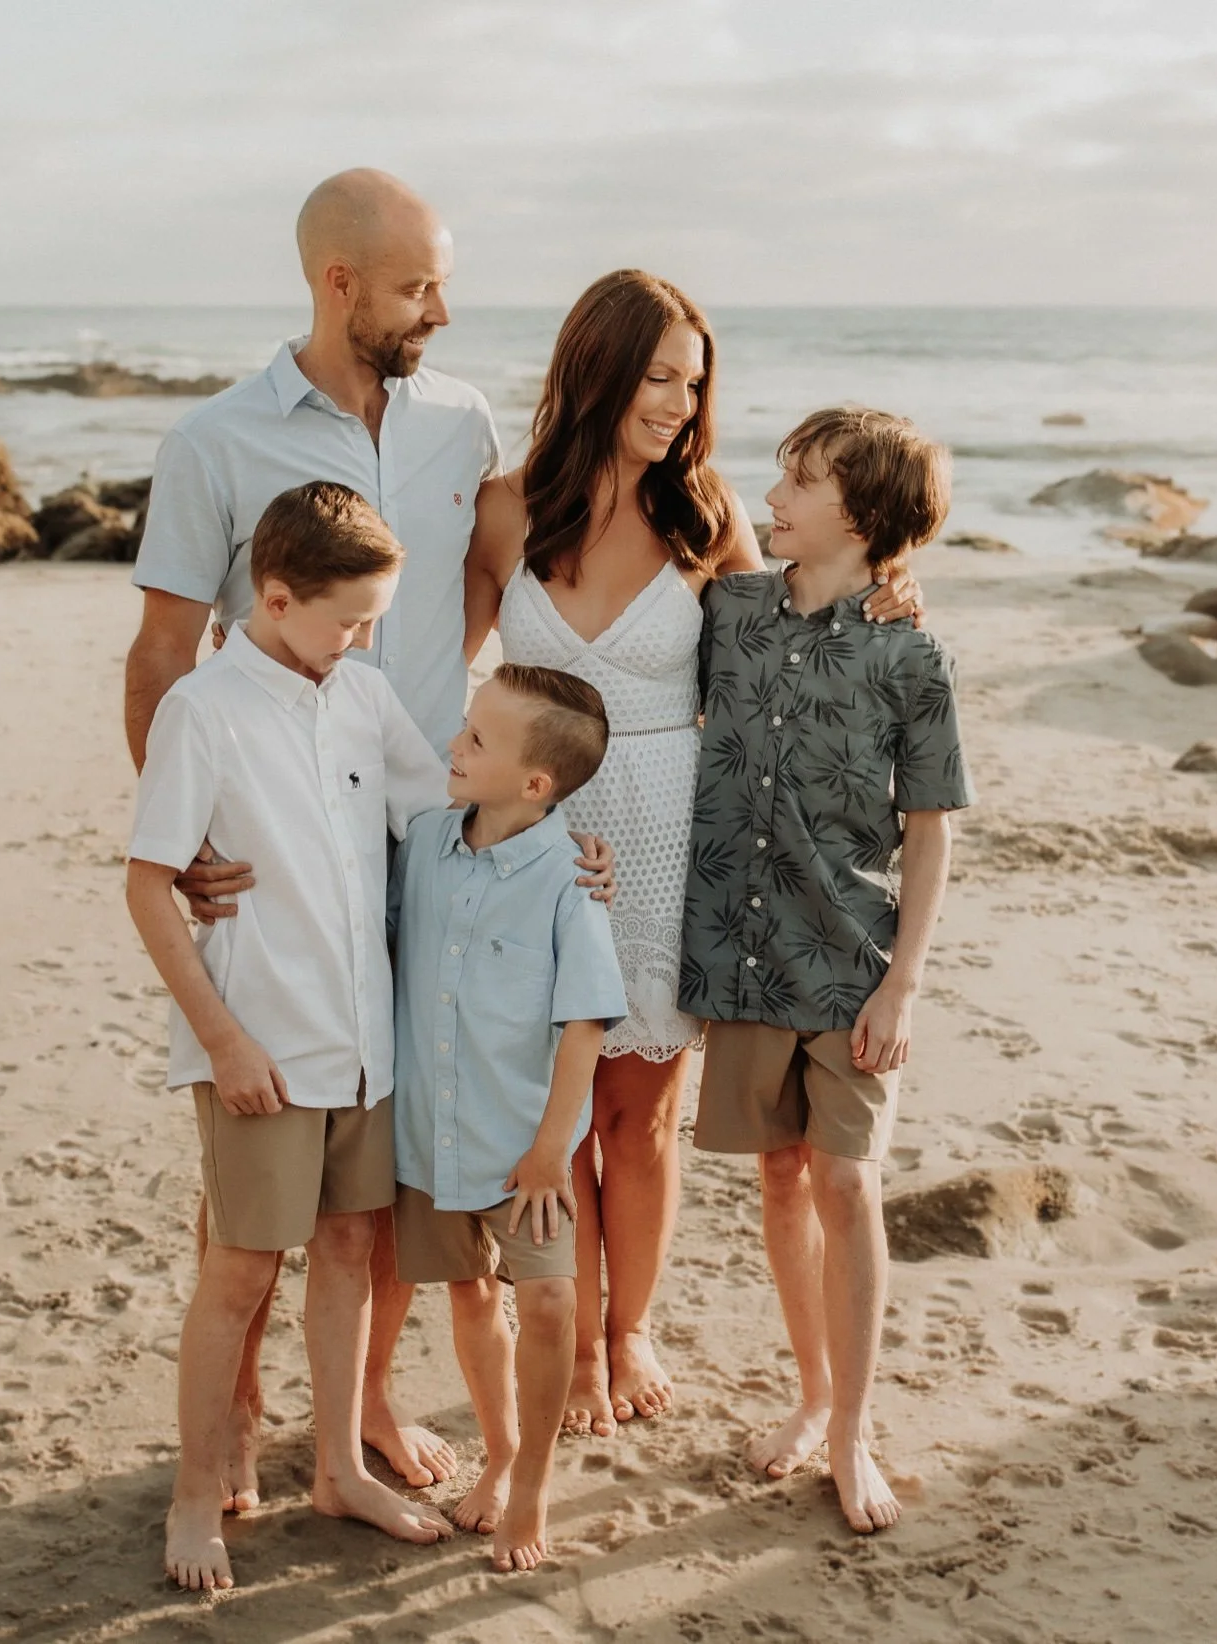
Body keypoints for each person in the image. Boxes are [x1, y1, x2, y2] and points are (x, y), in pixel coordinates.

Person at [464, 272, 920, 1435]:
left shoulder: (706, 514)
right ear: (598, 367)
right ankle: (568, 1341)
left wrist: (887, 591)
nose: (678, 402)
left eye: (694, 381)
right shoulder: (503, 509)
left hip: (671, 836)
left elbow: (794, 637)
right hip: (537, 836)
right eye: (660, 375)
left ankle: (627, 1331)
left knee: (639, 1115)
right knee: (550, 1114)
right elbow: (436, 673)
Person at [124, 168, 507, 1499]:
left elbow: (480, 583)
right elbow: (167, 648)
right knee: (257, 1141)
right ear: (338, 284)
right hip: (279, 869)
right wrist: (191, 844)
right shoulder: (217, 442)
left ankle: (360, 1415)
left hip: (425, 838)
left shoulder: (464, 425)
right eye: (417, 287)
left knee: (384, 1154)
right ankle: (228, 1416)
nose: (441, 311)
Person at [125, 482, 456, 1592]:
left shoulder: (361, 696)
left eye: (373, 620)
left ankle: (334, 1471)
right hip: (259, 1050)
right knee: (237, 1273)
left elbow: (447, 817)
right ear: (274, 596)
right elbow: (147, 887)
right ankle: (192, 1496)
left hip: (368, 1044)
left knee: (354, 1252)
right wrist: (220, 1042)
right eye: (350, 619)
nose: (363, 639)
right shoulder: (203, 709)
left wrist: (561, 854)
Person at [679, 406, 973, 1534]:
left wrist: (902, 982)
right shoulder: (731, 612)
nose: (778, 494)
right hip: (743, 957)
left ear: (866, 513)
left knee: (847, 1185)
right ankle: (811, 1394)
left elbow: (932, 828)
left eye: (802, 480)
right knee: (780, 1178)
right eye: (783, 474)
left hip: (851, 963)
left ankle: (852, 1433)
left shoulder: (912, 652)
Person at [389, 665, 627, 1571]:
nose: (455, 746)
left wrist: (547, 1154)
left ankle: (532, 1486)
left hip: (526, 1147)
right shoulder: (421, 842)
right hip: (432, 1135)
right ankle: (497, 1455)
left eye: (477, 741)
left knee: (554, 1297)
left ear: (536, 784)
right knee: (468, 1293)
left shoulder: (571, 876)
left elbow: (586, 1024)